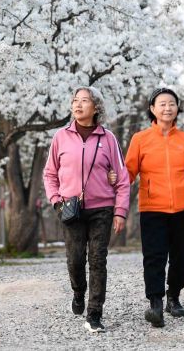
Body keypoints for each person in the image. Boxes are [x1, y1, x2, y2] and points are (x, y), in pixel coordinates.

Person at [43, 86, 130, 334]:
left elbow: (121, 178)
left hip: (102, 208)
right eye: (75, 100)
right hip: (70, 208)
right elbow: (50, 173)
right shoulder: (61, 136)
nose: (78, 105)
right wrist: (56, 200)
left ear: (96, 107)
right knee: (75, 259)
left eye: (84, 101)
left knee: (98, 260)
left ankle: (94, 314)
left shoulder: (108, 138)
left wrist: (120, 211)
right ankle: (78, 293)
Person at [125, 87, 184, 328]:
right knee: (154, 257)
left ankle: (174, 297)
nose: (167, 108)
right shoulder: (140, 139)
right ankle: (156, 304)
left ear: (177, 108)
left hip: (183, 209)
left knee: (181, 257)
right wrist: (111, 183)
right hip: (152, 209)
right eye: (162, 104)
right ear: (152, 109)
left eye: (172, 103)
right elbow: (127, 172)